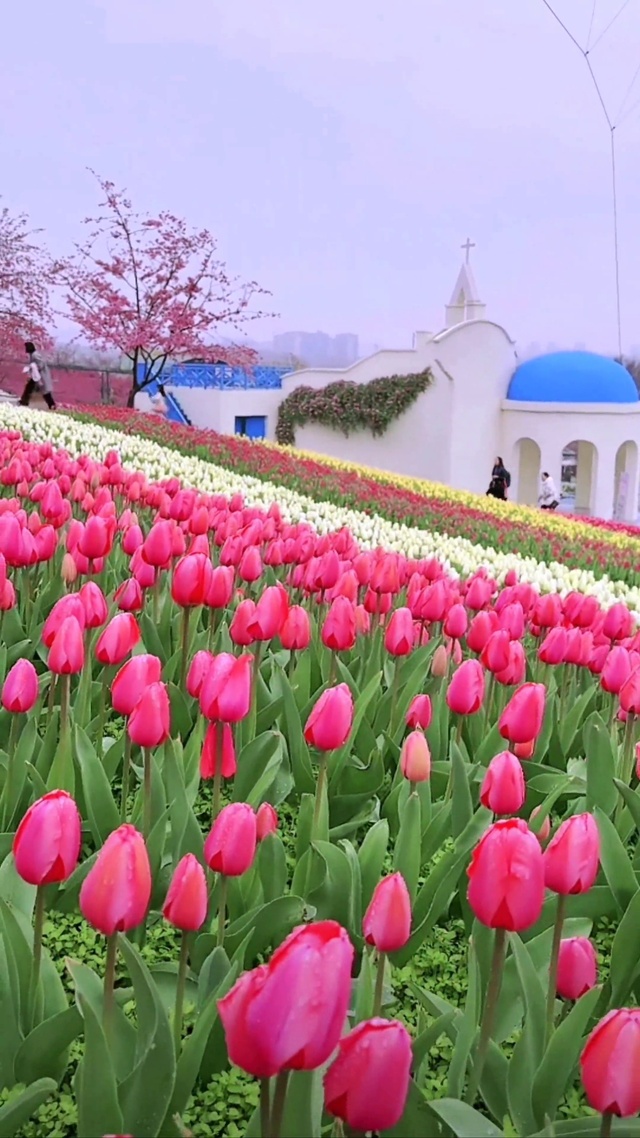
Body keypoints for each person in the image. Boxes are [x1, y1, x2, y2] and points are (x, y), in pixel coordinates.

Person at [19, 342, 56, 409]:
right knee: (30, 387)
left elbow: (41, 364)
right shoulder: (32, 354)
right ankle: (24, 401)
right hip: (36, 375)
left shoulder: (35, 355)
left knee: (44, 390)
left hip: (40, 375)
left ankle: (51, 404)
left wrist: (33, 367)